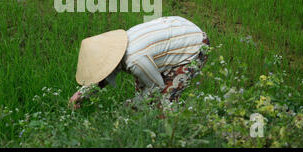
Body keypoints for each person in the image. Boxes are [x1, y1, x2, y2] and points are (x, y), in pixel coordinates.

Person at [68, 16, 210, 109]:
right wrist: (80, 95)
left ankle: (172, 136)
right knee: (144, 95)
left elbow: (157, 87)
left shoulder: (134, 60)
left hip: (194, 44)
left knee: (164, 101)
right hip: (178, 29)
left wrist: (130, 107)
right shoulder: (119, 46)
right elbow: (104, 75)